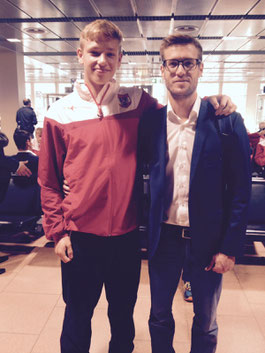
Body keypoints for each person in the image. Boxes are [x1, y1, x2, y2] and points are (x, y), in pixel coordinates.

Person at [38, 19, 236, 353]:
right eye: (95, 52)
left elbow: (181, 110)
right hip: (80, 235)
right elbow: (48, 181)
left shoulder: (136, 102)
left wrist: (215, 99)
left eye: (110, 54)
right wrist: (58, 233)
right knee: (77, 315)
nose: (102, 60)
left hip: (126, 237)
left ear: (119, 58)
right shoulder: (59, 113)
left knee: (122, 317)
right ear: (80, 54)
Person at [137, 34, 251, 353]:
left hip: (208, 240)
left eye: (188, 62)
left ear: (200, 68)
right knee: (159, 316)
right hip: (165, 238)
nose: (180, 70)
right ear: (162, 70)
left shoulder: (226, 122)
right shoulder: (151, 123)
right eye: (173, 63)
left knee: (205, 320)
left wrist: (229, 248)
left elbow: (241, 191)